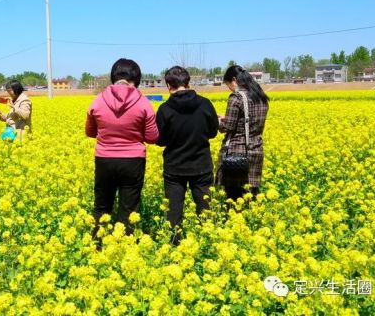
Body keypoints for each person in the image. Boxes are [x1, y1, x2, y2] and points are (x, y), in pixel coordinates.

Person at [85, 58, 159, 236]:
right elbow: (152, 137)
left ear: (113, 77)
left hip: (104, 160)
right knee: (128, 210)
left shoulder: (98, 101)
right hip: (133, 162)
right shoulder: (143, 103)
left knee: (101, 207)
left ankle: (96, 247)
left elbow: (90, 132)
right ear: (137, 78)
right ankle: (124, 251)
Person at [155, 66, 218, 243]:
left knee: (174, 213)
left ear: (168, 85)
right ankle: (208, 245)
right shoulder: (205, 104)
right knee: (206, 211)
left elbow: (159, 140)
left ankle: (175, 249)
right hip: (202, 166)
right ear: (188, 82)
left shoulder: (165, 109)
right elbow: (213, 132)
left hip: (174, 168)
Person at [218, 65, 269, 201]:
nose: (229, 88)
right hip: (256, 150)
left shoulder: (237, 98)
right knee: (251, 195)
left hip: (237, 153)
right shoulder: (261, 97)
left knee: (234, 197)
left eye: (228, 84)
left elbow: (227, 126)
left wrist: (217, 122)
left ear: (234, 80)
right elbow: (248, 120)